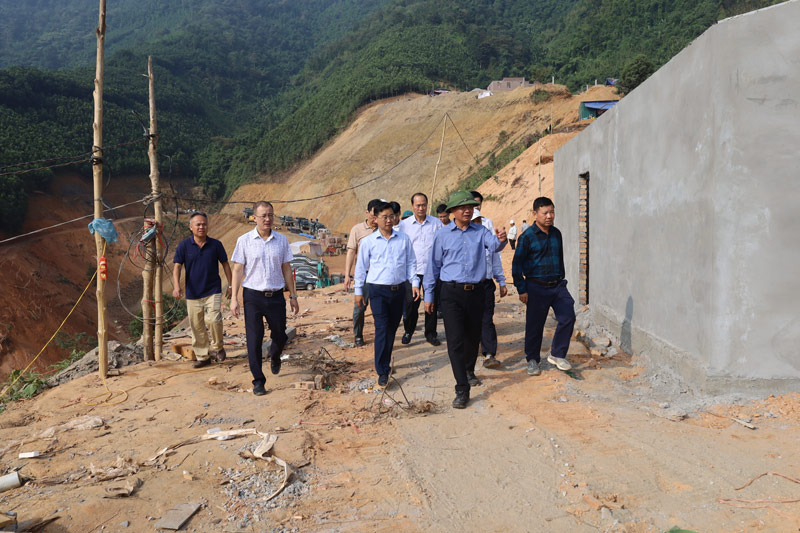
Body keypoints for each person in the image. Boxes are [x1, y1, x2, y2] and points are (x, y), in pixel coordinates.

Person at [424, 191, 507, 409]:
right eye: (462, 207)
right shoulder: (442, 235)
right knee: (455, 340)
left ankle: (469, 369)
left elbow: (494, 246)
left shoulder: (481, 231)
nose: (467, 210)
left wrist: (502, 240)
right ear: (452, 211)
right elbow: (433, 266)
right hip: (451, 293)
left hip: (477, 292)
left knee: (472, 337)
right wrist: (429, 295)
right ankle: (462, 388)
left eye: (470, 207)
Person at [230, 201, 300, 396]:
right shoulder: (244, 240)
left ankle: (275, 355)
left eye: (270, 215)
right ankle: (258, 381)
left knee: (280, 334)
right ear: (254, 218)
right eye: (263, 216)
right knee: (254, 339)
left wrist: (293, 296)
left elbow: (287, 269)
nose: (267, 219)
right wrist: (234, 298)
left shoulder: (282, 240)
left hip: (276, 296)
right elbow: (237, 270)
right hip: (252, 296)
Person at [354, 201, 419, 387]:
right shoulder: (368, 242)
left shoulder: (403, 239)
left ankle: (385, 361)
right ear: (376, 219)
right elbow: (361, 268)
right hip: (378, 291)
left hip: (398, 290)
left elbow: (411, 262)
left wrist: (415, 283)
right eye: (385, 217)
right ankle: (382, 370)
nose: (389, 220)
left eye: (392, 216)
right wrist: (358, 291)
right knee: (382, 328)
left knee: (391, 329)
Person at [512, 197, 575, 377]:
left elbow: (559, 258)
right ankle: (533, 360)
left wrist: (561, 278)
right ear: (535, 214)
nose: (549, 216)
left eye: (552, 212)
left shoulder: (556, 234)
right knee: (535, 325)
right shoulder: (526, 237)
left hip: (557, 285)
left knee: (568, 316)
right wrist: (522, 289)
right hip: (536, 287)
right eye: (545, 213)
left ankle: (557, 354)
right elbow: (516, 265)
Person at [172, 212, 232, 368]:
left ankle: (218, 347)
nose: (201, 227)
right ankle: (203, 357)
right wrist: (177, 286)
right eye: (198, 224)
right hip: (193, 293)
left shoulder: (216, 245)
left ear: (207, 226)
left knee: (214, 319)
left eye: (204, 224)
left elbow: (225, 264)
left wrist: (231, 286)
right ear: (191, 227)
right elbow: (177, 267)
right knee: (196, 326)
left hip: (213, 290)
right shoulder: (184, 246)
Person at [398, 192, 442, 346]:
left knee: (431, 303)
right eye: (418, 205)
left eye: (423, 205)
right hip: (412, 271)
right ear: (412, 206)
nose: (421, 208)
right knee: (411, 303)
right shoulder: (404, 225)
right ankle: (408, 330)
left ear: (427, 205)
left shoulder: (436, 223)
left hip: (432, 270)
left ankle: (431, 333)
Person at [469, 210, 507, 371]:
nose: (477, 224)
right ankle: (468, 354)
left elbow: (495, 260)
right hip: (466, 287)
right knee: (468, 321)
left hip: (485, 285)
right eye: (473, 221)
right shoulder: (460, 241)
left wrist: (502, 281)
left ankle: (489, 354)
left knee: (486, 319)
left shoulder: (487, 238)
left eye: (479, 220)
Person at [344, 199, 381, 346]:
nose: (375, 218)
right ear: (367, 213)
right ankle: (358, 335)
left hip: (380, 275)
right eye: (373, 215)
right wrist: (347, 275)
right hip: (364, 275)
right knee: (359, 307)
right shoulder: (357, 229)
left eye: (378, 215)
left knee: (380, 307)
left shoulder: (383, 229)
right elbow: (351, 252)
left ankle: (381, 335)